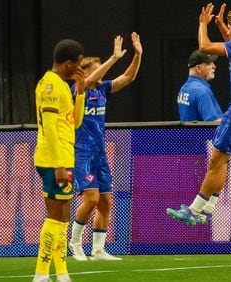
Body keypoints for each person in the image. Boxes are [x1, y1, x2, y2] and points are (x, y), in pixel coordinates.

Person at [167, 3, 231, 225]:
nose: (228, 30)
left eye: (230, 27)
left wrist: (203, 24)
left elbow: (205, 46)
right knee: (221, 160)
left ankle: (193, 210)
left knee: (216, 161)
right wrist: (222, 27)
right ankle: (208, 208)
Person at [68, 32, 142, 261]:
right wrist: (113, 58)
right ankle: (75, 243)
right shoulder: (76, 91)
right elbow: (88, 81)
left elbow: (128, 78)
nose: (104, 71)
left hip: (100, 153)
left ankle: (98, 249)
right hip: (82, 152)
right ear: (85, 71)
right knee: (90, 199)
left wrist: (138, 54)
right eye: (98, 68)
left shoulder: (102, 89)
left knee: (106, 201)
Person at [32, 39, 86, 282]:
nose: (79, 69)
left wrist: (81, 90)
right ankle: (41, 274)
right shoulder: (51, 86)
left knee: (62, 218)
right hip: (55, 159)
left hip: (62, 156)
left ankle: (62, 273)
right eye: (78, 65)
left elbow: (74, 122)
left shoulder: (63, 85)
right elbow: (51, 127)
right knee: (55, 218)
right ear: (68, 63)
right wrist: (58, 165)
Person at [177, 49, 222, 122]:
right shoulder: (203, 91)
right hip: (204, 133)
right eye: (209, 63)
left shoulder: (183, 89)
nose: (214, 66)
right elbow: (213, 124)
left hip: (189, 133)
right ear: (198, 68)